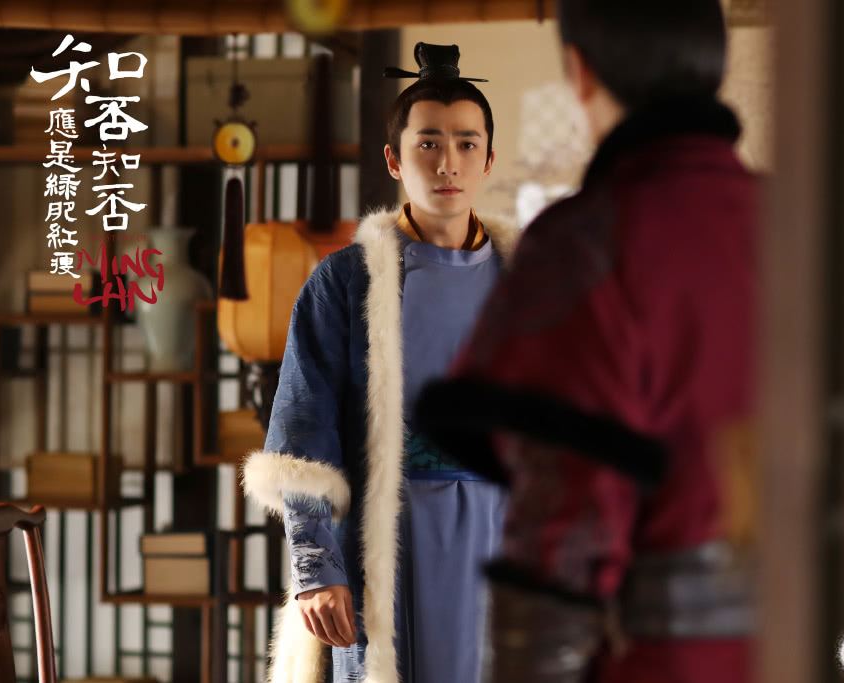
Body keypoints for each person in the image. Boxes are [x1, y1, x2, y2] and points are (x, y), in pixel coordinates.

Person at [415, 3, 756, 682]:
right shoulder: (808, 224)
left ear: (579, 71)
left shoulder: (589, 241)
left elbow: (563, 528)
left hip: (661, 660)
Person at [244, 42, 518, 683]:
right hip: (389, 538)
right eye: (428, 143)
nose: (448, 163)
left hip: (503, 534)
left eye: (466, 144)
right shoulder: (345, 281)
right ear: (394, 159)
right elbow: (302, 432)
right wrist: (316, 568)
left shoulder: (530, 283)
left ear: (488, 159)